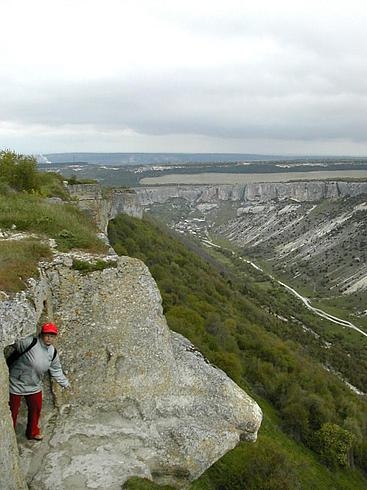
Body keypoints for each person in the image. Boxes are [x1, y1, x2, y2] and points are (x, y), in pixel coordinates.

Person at [8, 322, 70, 441]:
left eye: (52, 336)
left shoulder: (52, 352)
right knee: (12, 412)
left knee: (36, 408)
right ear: (41, 334)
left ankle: (33, 432)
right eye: (47, 335)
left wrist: (65, 383)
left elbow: (56, 369)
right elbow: (13, 340)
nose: (49, 338)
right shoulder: (29, 343)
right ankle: (9, 436)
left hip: (34, 385)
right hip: (16, 383)